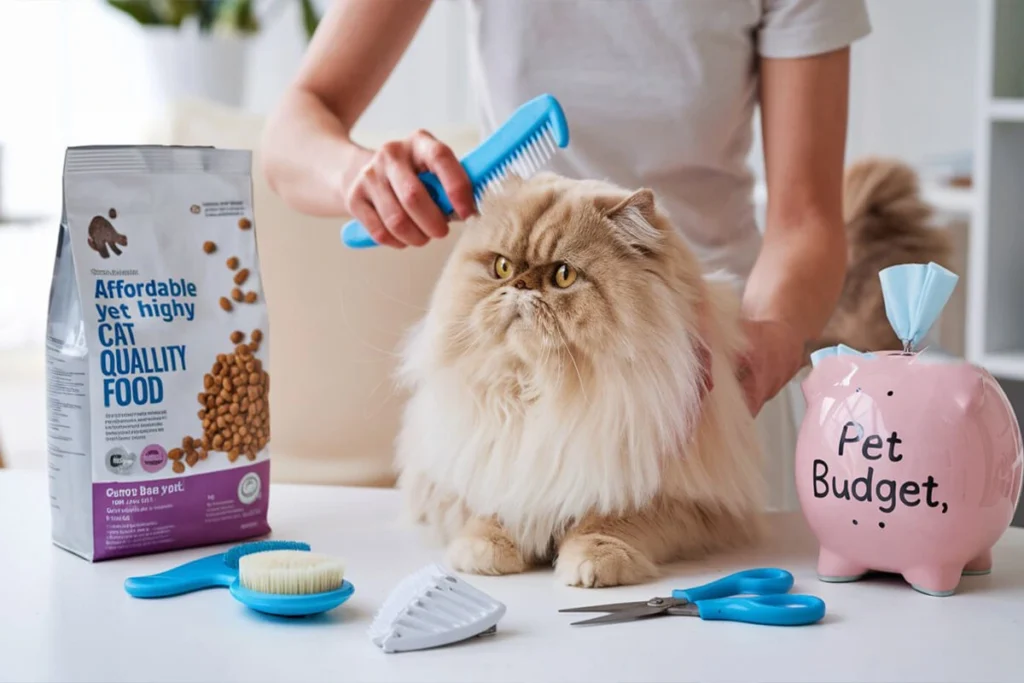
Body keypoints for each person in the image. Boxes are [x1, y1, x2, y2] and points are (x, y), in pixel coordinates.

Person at [261, 0, 871, 417]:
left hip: (706, 363)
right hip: (520, 371)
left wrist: (772, 336)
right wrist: (358, 178)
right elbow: (289, 137)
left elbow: (806, 220)